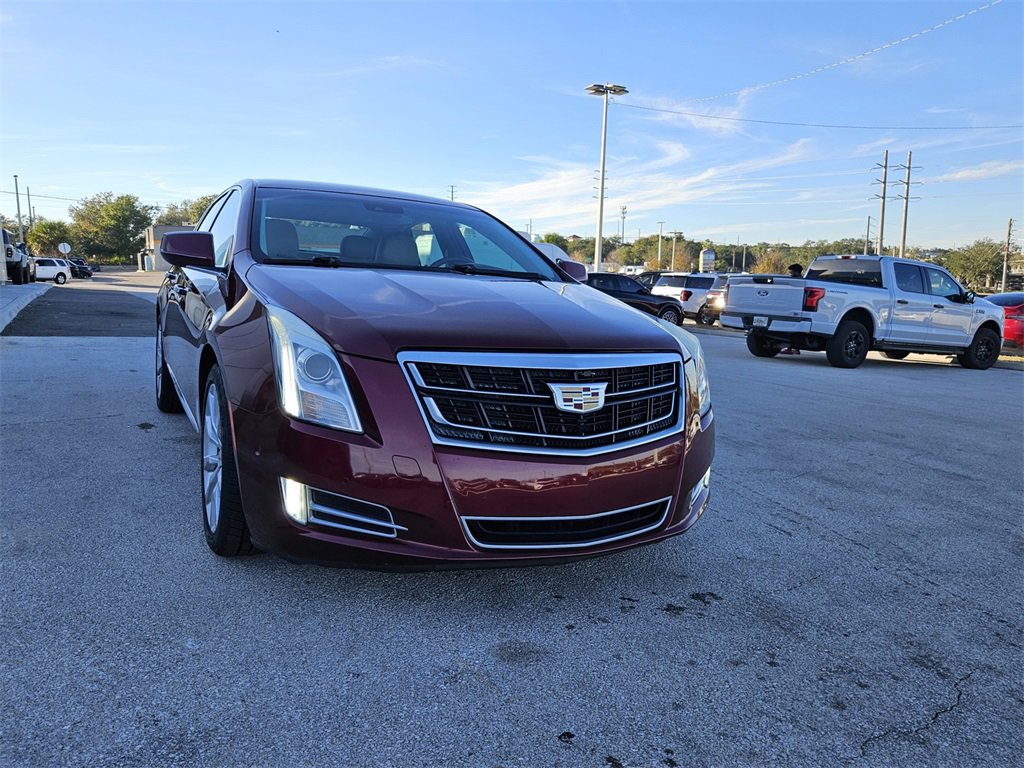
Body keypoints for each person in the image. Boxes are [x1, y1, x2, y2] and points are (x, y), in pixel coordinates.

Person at [780, 263, 804, 354]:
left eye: (792, 272)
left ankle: (793, 348)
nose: (790, 274)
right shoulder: (795, 281)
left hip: (796, 308)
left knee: (794, 330)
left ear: (797, 272)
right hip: (791, 308)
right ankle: (792, 348)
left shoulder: (798, 282)